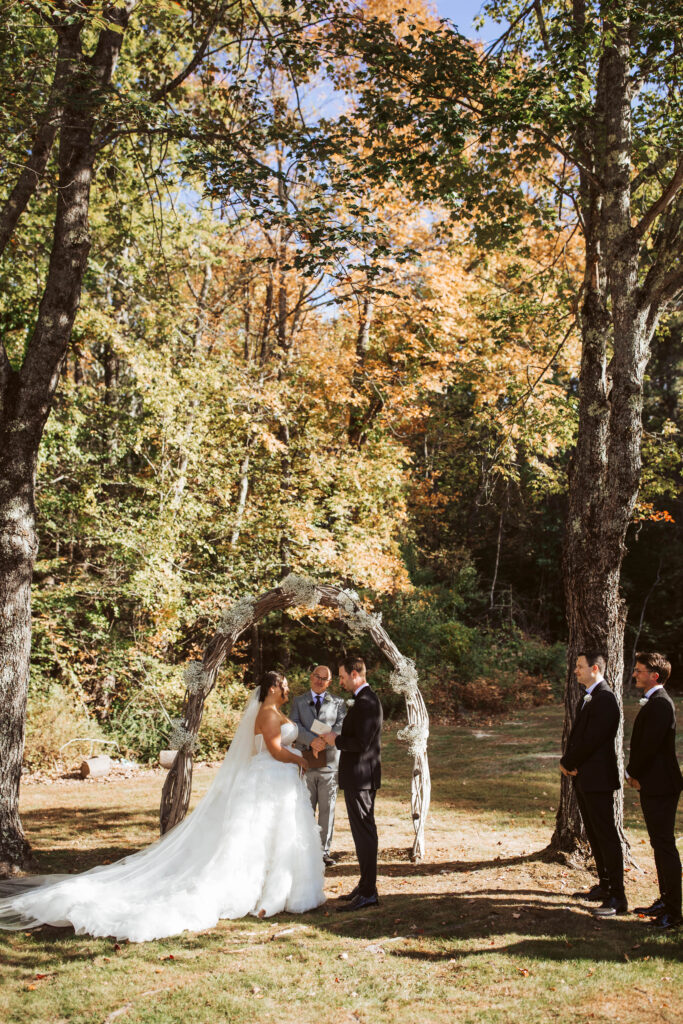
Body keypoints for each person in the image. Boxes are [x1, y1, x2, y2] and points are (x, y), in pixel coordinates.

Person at [0, 671, 325, 942]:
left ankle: (282, 891)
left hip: (279, 780)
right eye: (283, 684)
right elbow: (273, 749)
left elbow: (281, 745)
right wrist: (300, 759)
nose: (287, 689)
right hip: (271, 776)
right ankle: (264, 893)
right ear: (272, 687)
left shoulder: (276, 713)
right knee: (264, 834)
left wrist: (299, 753)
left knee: (279, 836)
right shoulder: (267, 714)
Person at [560, 651, 627, 917]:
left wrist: (568, 761)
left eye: (580, 666)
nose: (575, 670)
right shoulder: (588, 698)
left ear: (595, 669)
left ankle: (618, 897)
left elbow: (593, 740)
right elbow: (580, 736)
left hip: (598, 779)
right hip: (585, 778)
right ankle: (605, 885)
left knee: (607, 835)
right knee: (595, 835)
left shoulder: (606, 699)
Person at [313, 655, 382, 912]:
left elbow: (361, 744)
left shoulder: (366, 702)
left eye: (341, 676)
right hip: (358, 777)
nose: (339, 681)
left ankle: (369, 891)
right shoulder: (363, 701)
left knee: (364, 834)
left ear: (355, 674)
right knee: (360, 833)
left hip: (362, 777)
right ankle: (365, 886)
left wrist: (335, 740)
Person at [627, 652, 682, 930]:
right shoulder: (656, 702)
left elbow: (649, 746)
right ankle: (665, 900)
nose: (635, 674)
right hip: (655, 783)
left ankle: (673, 912)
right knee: (659, 844)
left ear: (654, 676)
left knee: (664, 845)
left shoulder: (661, 704)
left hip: (662, 785)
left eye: (639, 670)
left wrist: (631, 772)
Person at [290, 665, 346, 866]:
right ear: (311, 677)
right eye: (317, 676)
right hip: (306, 762)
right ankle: (304, 850)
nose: (320, 681)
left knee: (327, 809)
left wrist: (324, 741)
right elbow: (295, 725)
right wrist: (312, 741)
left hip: (330, 763)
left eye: (325, 678)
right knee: (306, 808)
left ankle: (323, 852)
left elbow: (341, 725)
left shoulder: (338, 703)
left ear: (329, 682)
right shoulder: (298, 701)